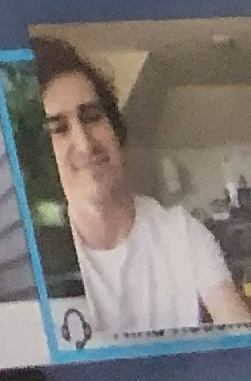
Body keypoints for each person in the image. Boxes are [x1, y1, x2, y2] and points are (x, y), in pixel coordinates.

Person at [33, 36, 251, 340]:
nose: (84, 143)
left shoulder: (182, 234)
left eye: (92, 117)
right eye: (58, 129)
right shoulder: (36, 259)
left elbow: (241, 336)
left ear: (114, 128)